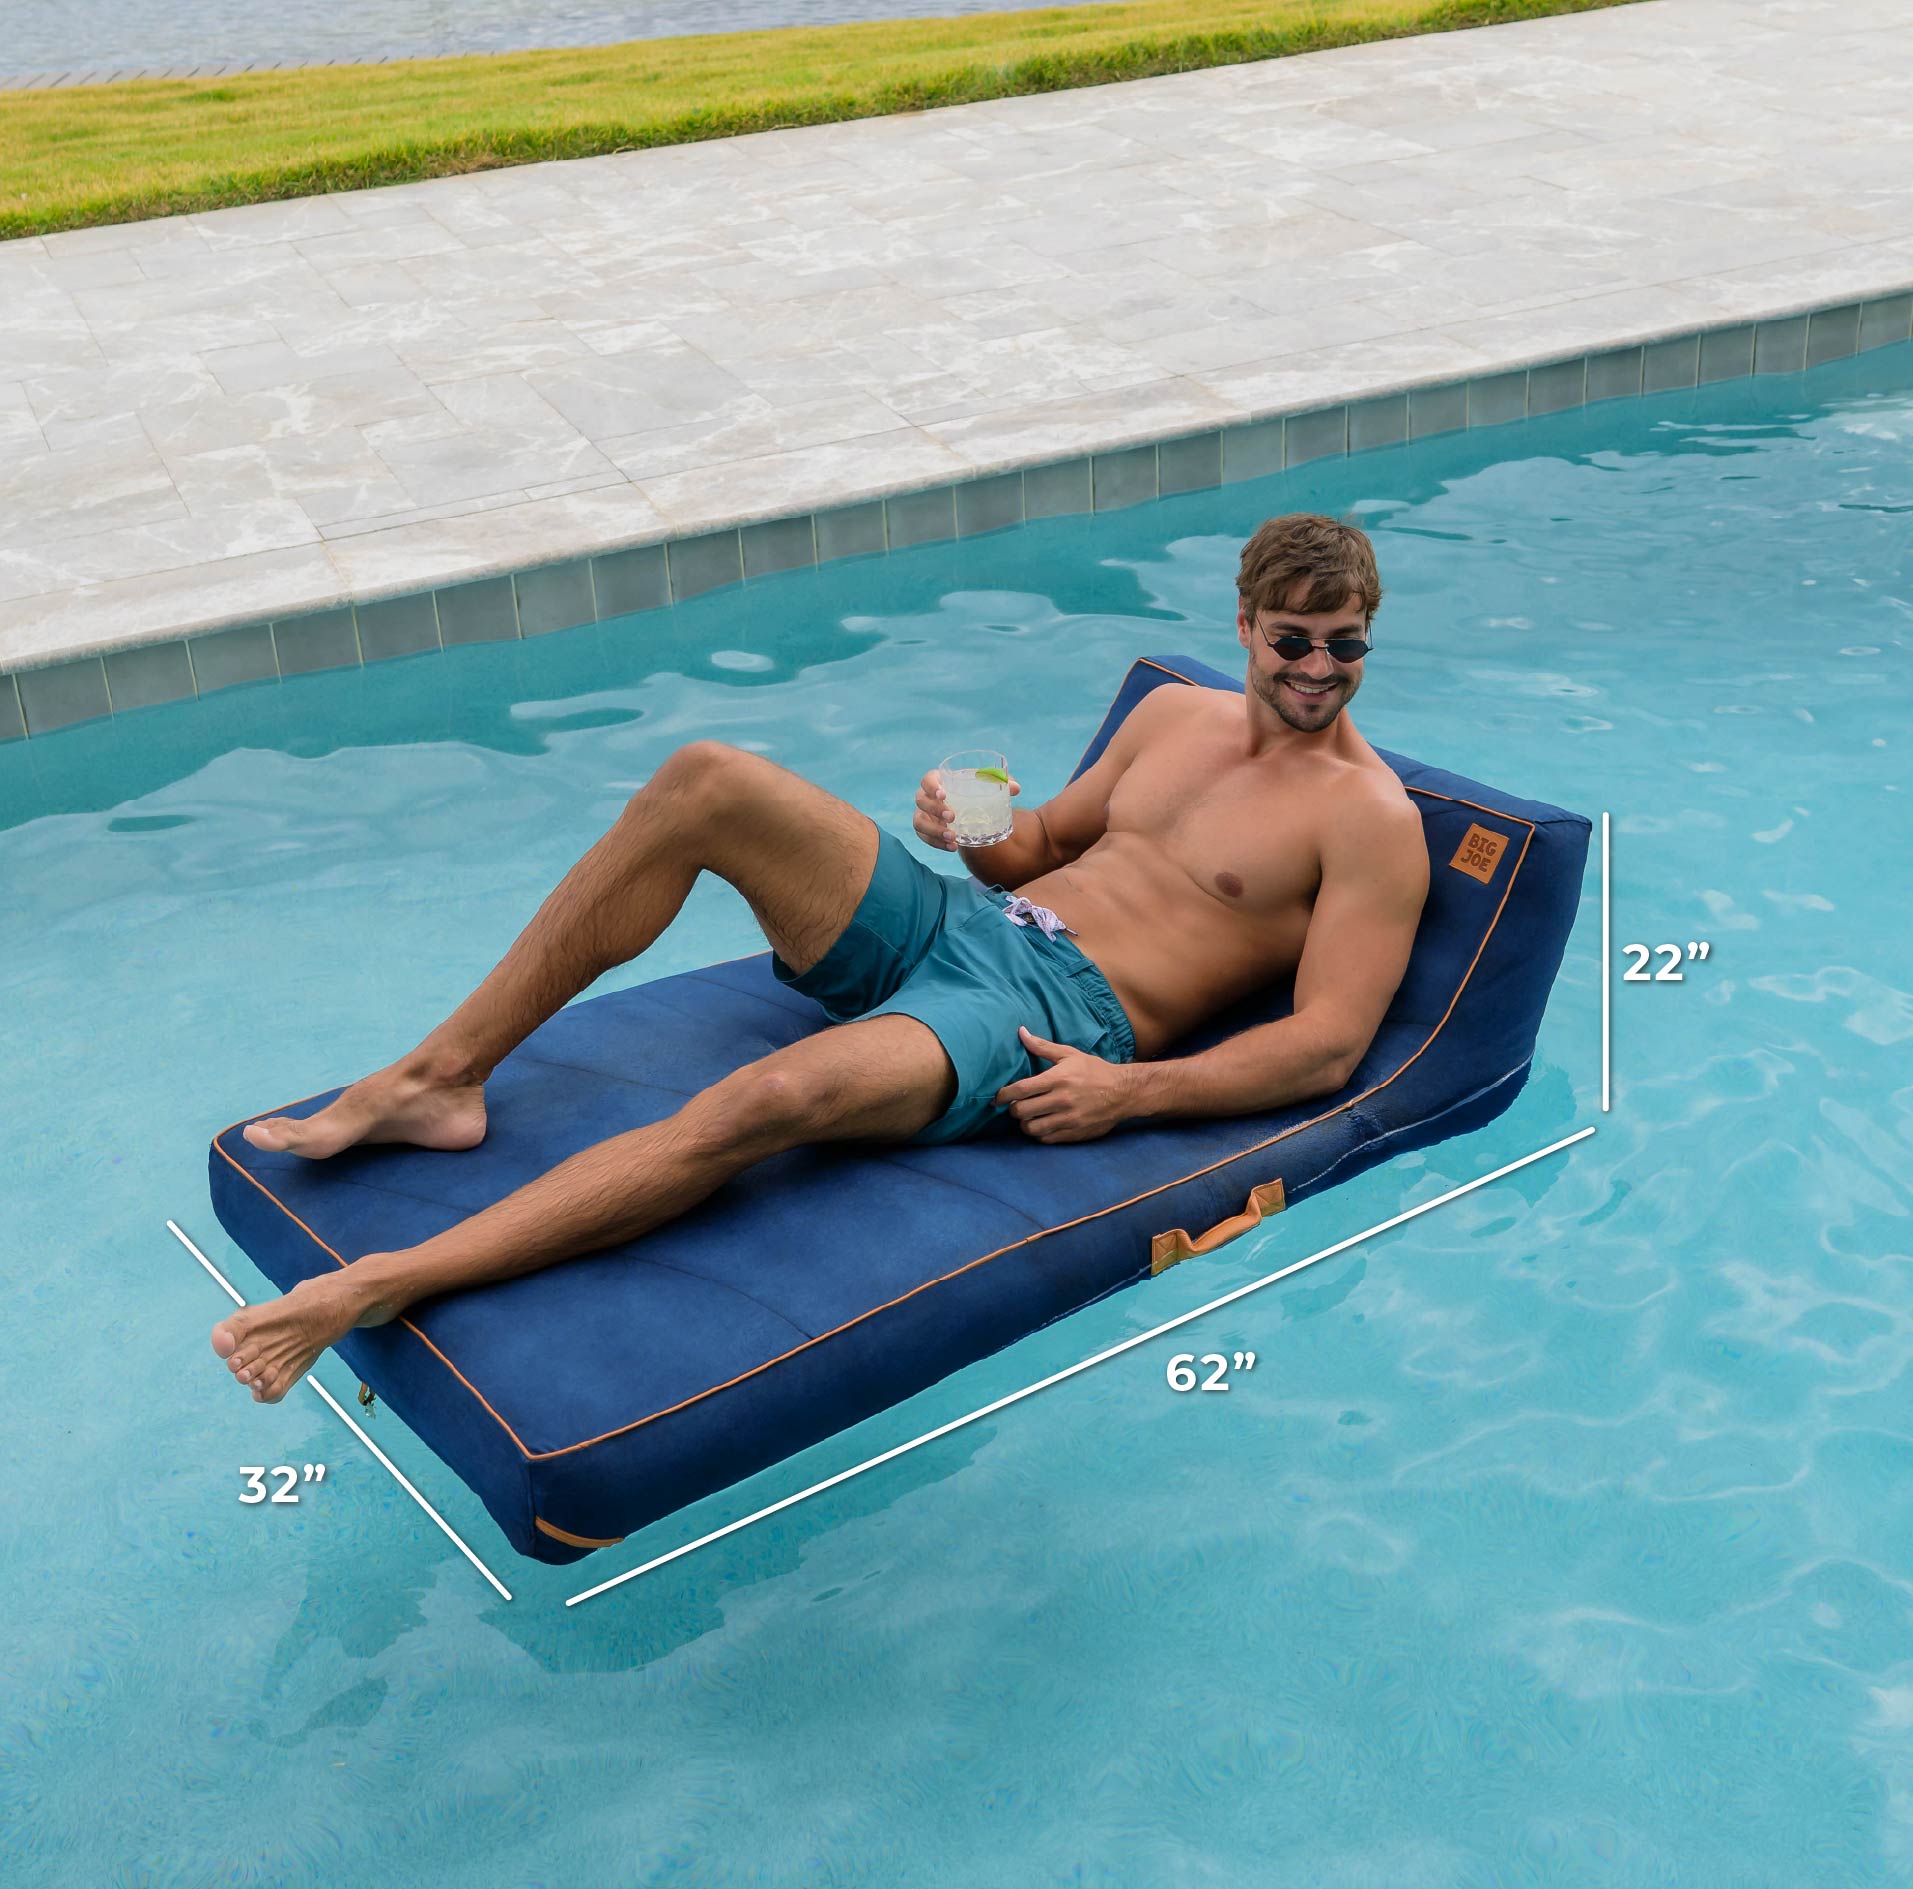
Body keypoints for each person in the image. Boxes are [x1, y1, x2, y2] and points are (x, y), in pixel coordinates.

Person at [212, 512, 1429, 1403]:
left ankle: (384, 1278)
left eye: (1346, 647)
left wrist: (1131, 1093)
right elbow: (1042, 844)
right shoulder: (1176, 717)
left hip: (1053, 1015)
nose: (1320, 671)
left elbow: (1327, 1046)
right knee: (706, 779)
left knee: (771, 1097)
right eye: (1293, 642)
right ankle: (441, 1077)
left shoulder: (1370, 822)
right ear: (1243, 626)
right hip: (963, 921)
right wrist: (971, 816)